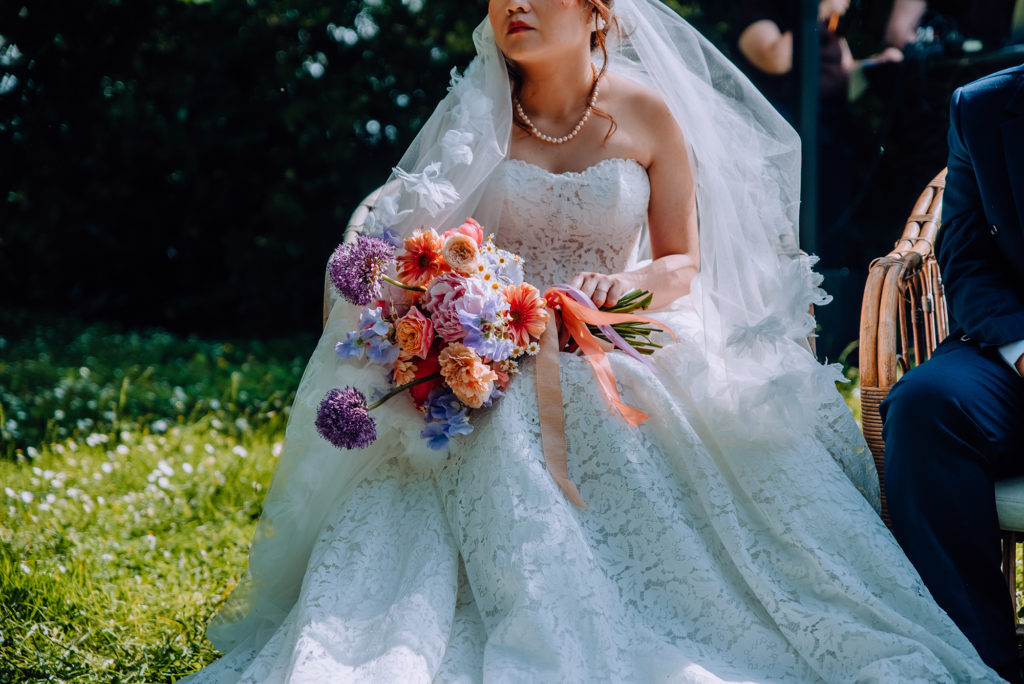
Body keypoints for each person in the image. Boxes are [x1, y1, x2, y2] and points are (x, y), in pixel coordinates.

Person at [180, 1, 999, 681]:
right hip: (493, 346)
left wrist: (625, 291)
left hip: (617, 334)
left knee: (658, 430)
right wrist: (457, 303)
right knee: (489, 435)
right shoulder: (474, 117)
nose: (515, 8)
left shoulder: (646, 111)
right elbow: (405, 237)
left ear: (596, 11)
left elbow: (682, 259)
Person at [881, 64, 1024, 682]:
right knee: (927, 405)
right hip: (1011, 352)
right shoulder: (983, 108)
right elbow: (966, 256)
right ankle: (977, 665)